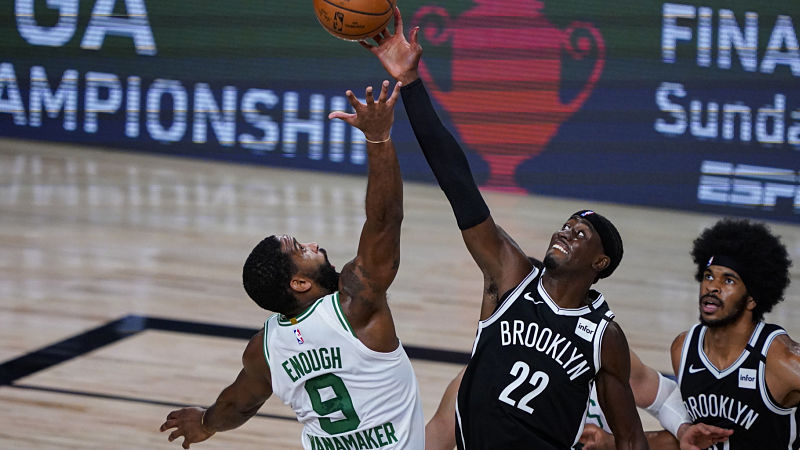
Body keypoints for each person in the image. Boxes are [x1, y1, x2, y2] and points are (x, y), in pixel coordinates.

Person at [362, 8, 647, 449]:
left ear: (601, 262)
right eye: (566, 226)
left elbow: (630, 440)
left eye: (580, 234)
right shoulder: (511, 275)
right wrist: (412, 82)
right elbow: (457, 182)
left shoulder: (603, 336)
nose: (564, 234)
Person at [159, 80, 426, 449]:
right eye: (302, 249)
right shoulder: (355, 306)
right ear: (300, 283)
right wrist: (378, 137)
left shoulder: (264, 350)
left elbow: (238, 405)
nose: (315, 245)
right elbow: (385, 220)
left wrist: (206, 423)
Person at [425, 261, 732, 450]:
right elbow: (436, 438)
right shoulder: (475, 378)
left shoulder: (598, 350)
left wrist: (681, 428)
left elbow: (664, 397)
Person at [671, 218, 800, 449]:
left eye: (728, 280)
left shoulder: (782, 360)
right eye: (709, 276)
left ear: (751, 299)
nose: (712, 286)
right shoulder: (684, 348)